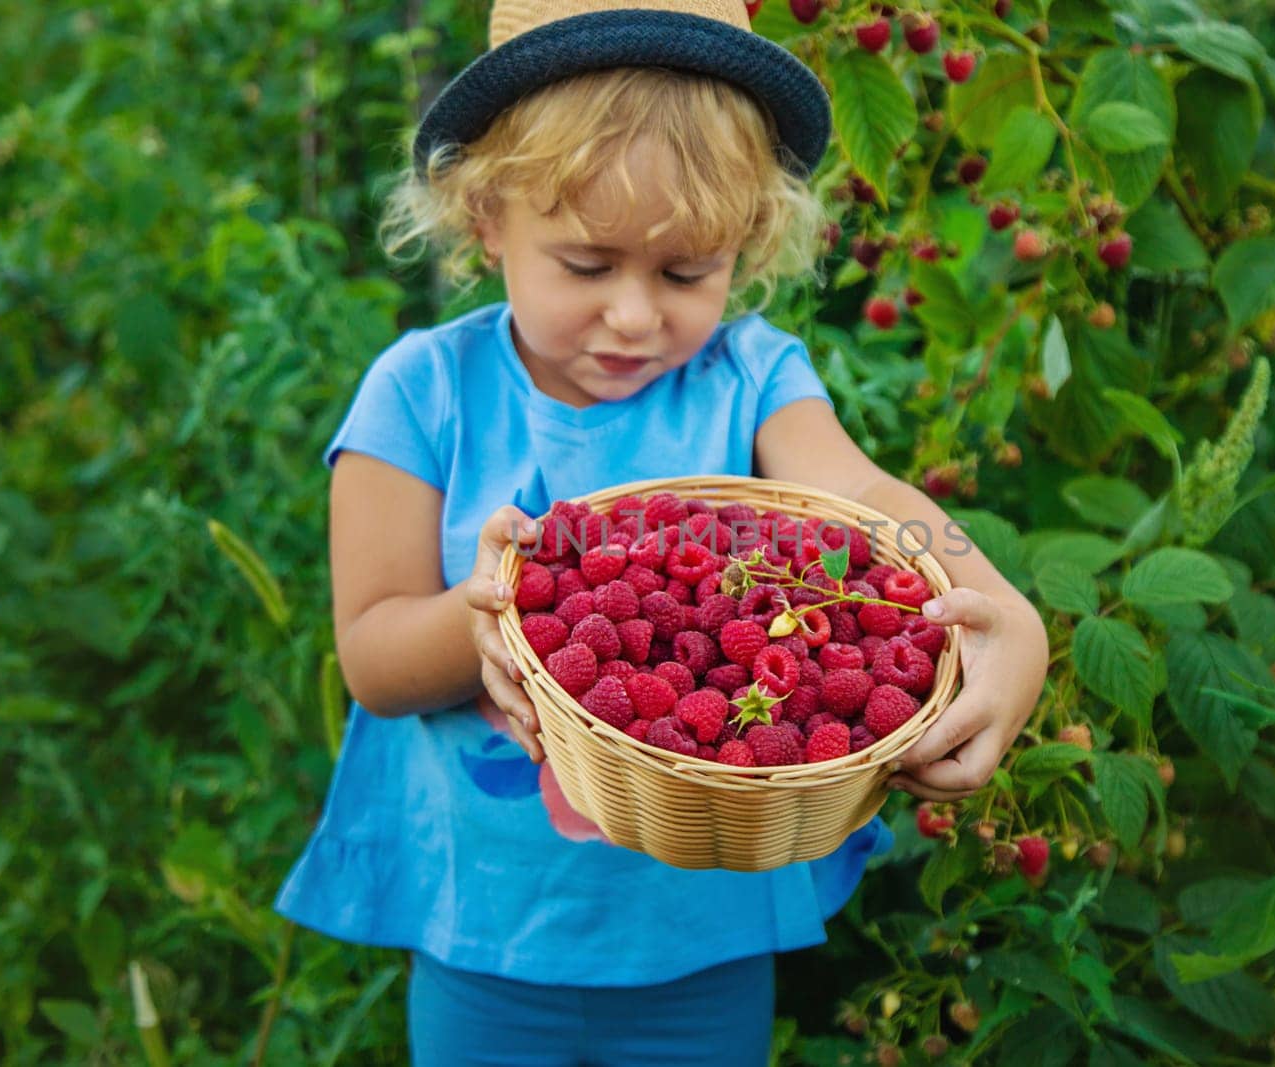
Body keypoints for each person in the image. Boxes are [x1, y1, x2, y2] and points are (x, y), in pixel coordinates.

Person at [274, 2, 1050, 1064]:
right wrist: (487, 621)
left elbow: (862, 491)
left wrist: (1004, 610)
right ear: (488, 216)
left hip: (708, 927)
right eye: (587, 266)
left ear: (746, 243)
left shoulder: (751, 377)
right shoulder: (424, 393)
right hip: (489, 928)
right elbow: (369, 655)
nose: (636, 317)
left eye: (688, 272)